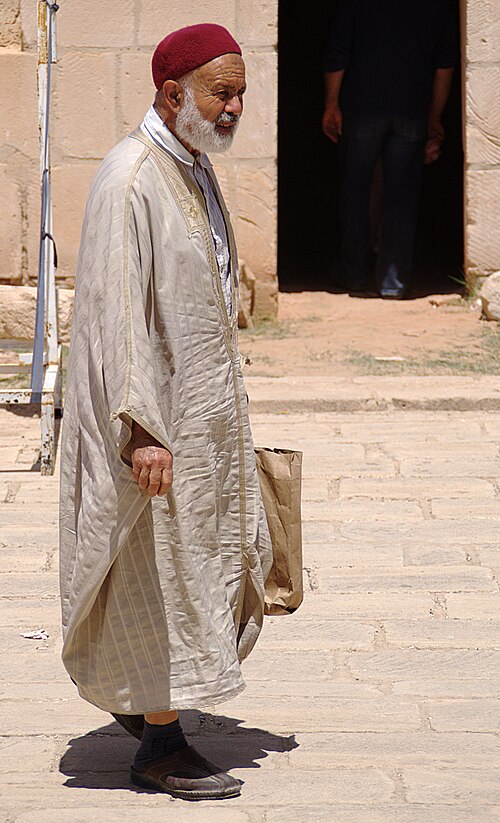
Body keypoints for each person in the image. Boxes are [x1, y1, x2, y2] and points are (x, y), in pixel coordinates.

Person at [59, 23, 273, 801]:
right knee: (156, 576)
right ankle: (159, 743)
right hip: (152, 427)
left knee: (187, 572)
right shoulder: (130, 177)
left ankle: (148, 707)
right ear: (172, 92)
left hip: (198, 415)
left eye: (241, 91)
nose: (234, 106)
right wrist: (143, 429)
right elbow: (119, 314)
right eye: (222, 91)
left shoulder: (191, 166)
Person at [323, 0, 458, 298]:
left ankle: (353, 274)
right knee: (402, 198)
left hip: (361, 112)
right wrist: (434, 116)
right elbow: (444, 66)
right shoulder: (435, 9)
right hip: (411, 112)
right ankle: (393, 282)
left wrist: (331, 104)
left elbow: (338, 55)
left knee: (355, 194)